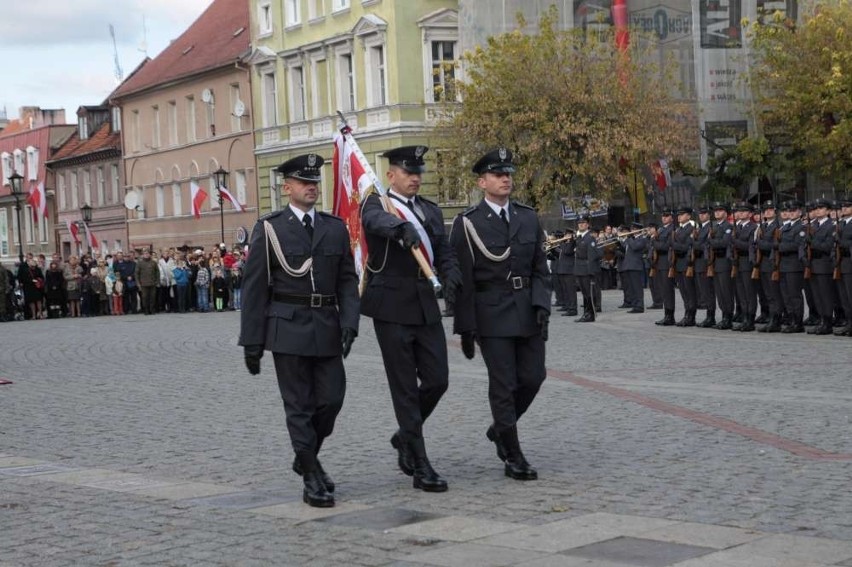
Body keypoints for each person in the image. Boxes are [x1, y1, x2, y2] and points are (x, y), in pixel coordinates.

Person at [239, 153, 359, 508]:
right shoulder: (271, 228)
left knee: (331, 399)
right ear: (287, 187)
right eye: (303, 182)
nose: (311, 187)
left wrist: (350, 322)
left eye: (314, 182)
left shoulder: (333, 227)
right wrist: (252, 342)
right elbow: (255, 287)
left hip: (326, 325)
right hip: (287, 327)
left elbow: (348, 281)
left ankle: (305, 456)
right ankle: (310, 475)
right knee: (299, 407)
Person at [360, 145, 461, 493]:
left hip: (424, 305)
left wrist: (451, 276)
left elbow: (443, 250)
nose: (415, 178)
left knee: (438, 380)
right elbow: (375, 222)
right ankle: (420, 463)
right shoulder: (376, 203)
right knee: (404, 389)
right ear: (391, 175)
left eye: (418, 172)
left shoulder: (430, 210)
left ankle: (404, 436)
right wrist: (400, 228)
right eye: (407, 172)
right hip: (391, 305)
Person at [450, 147, 550, 481]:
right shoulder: (467, 224)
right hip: (491, 313)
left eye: (508, 173)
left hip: (526, 310)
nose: (505, 179)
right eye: (497, 174)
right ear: (482, 182)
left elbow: (540, 268)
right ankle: (512, 451)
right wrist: (465, 327)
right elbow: (462, 280)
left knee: (534, 377)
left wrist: (542, 306)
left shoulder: (527, 217)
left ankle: (499, 428)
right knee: (504, 384)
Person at [672, 206, 697, 326]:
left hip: (687, 263)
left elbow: (686, 246)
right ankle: (687, 313)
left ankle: (691, 316)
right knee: (683, 292)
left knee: (689, 291)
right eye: (678, 215)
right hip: (679, 264)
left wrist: (673, 244)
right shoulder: (678, 230)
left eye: (682, 214)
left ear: (688, 216)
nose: (679, 217)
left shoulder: (691, 229)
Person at [652, 210, 676, 326]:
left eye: (667, 216)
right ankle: (666, 314)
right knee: (663, 290)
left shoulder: (672, 229)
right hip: (659, 263)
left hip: (666, 262)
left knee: (668, 290)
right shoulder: (661, 229)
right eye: (663, 216)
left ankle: (670, 316)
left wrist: (654, 242)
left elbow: (666, 246)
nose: (664, 218)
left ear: (671, 217)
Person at [694, 206, 717, 327]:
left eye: (704, 213)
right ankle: (709, 315)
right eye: (700, 214)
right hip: (698, 263)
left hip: (705, 262)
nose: (701, 215)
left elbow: (704, 244)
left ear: (709, 215)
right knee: (703, 291)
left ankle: (711, 316)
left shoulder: (710, 227)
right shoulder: (700, 228)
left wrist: (694, 243)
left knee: (708, 291)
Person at [573, 216, 597, 322]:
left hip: (586, 270)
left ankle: (590, 314)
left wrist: (591, 272)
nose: (581, 225)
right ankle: (586, 313)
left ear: (587, 225)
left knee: (589, 293)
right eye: (579, 223)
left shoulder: (589, 238)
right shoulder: (579, 238)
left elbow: (591, 256)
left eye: (583, 223)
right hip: (579, 269)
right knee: (584, 293)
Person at [835, 196, 852, 336]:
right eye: (843, 207)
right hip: (840, 263)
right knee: (844, 297)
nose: (844, 208)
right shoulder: (840, 224)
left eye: (847, 206)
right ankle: (849, 322)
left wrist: (842, 243)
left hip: (849, 262)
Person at [135, 249, 160, 315]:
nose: (146, 255)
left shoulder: (153, 262)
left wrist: (157, 281)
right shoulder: (140, 263)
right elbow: (136, 274)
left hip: (152, 283)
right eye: (145, 254)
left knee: (152, 297)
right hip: (143, 284)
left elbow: (157, 272)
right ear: (143, 255)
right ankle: (146, 310)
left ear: (149, 254)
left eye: (147, 253)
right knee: (145, 297)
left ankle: (152, 309)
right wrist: (138, 283)